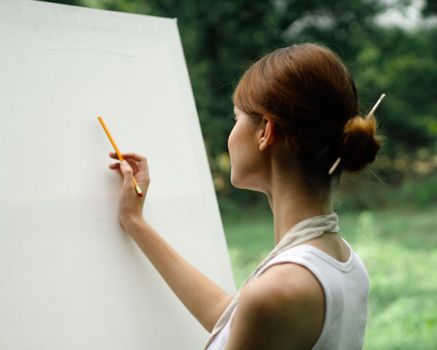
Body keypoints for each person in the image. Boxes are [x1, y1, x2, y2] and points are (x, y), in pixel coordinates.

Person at [107, 42, 381, 350]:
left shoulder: (277, 292)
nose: (231, 134)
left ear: (265, 131)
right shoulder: (342, 262)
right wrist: (135, 221)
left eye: (236, 117)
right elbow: (232, 319)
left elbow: (254, 311)